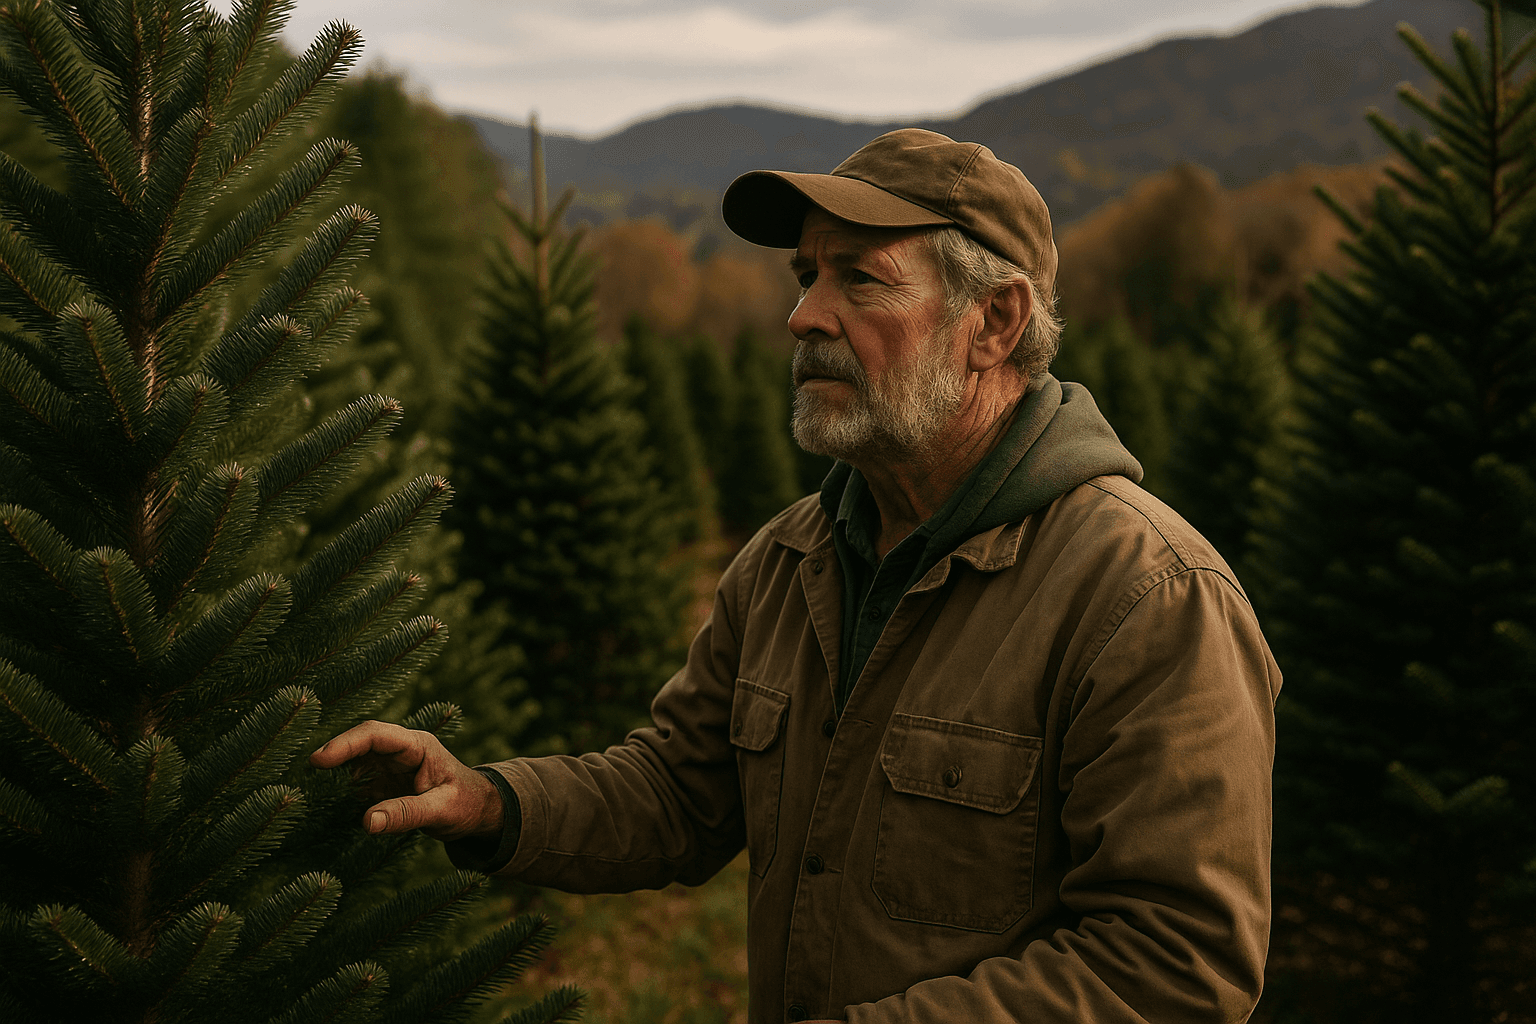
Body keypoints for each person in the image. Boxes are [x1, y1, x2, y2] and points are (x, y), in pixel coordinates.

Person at [312, 128, 1281, 1023]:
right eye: (807, 274)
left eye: (859, 280)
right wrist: (491, 799)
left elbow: (1175, 961)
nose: (802, 314)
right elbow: (681, 791)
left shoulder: (1147, 596)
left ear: (993, 321)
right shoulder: (791, 558)